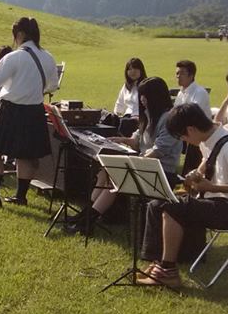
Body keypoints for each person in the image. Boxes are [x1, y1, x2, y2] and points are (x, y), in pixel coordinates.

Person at [137, 103, 228, 287]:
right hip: (214, 199)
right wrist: (196, 173)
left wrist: (211, 187)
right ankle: (158, 263)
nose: (184, 141)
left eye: (182, 137)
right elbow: (207, 160)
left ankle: (168, 272)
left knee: (173, 207)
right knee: (157, 203)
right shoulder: (208, 139)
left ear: (191, 129)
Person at [66, 77, 180, 234]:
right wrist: (121, 140)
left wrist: (133, 161)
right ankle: (85, 216)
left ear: (155, 96)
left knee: (116, 177)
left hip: (161, 172)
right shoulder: (149, 115)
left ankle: (88, 220)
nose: (142, 99)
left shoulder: (169, 120)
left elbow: (158, 151)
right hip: (145, 165)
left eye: (144, 95)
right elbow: (137, 141)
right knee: (104, 172)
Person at [0, 17, 58, 208]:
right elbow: (53, 85)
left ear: (19, 34)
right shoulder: (48, 57)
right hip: (34, 110)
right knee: (26, 155)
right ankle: (21, 197)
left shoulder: (14, 57)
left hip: (10, 109)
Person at [173, 59, 211, 173]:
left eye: (182, 73)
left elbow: (193, 115)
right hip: (186, 131)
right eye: (177, 73)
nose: (178, 76)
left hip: (200, 132)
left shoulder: (200, 92)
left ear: (191, 75)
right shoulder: (181, 93)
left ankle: (189, 173)